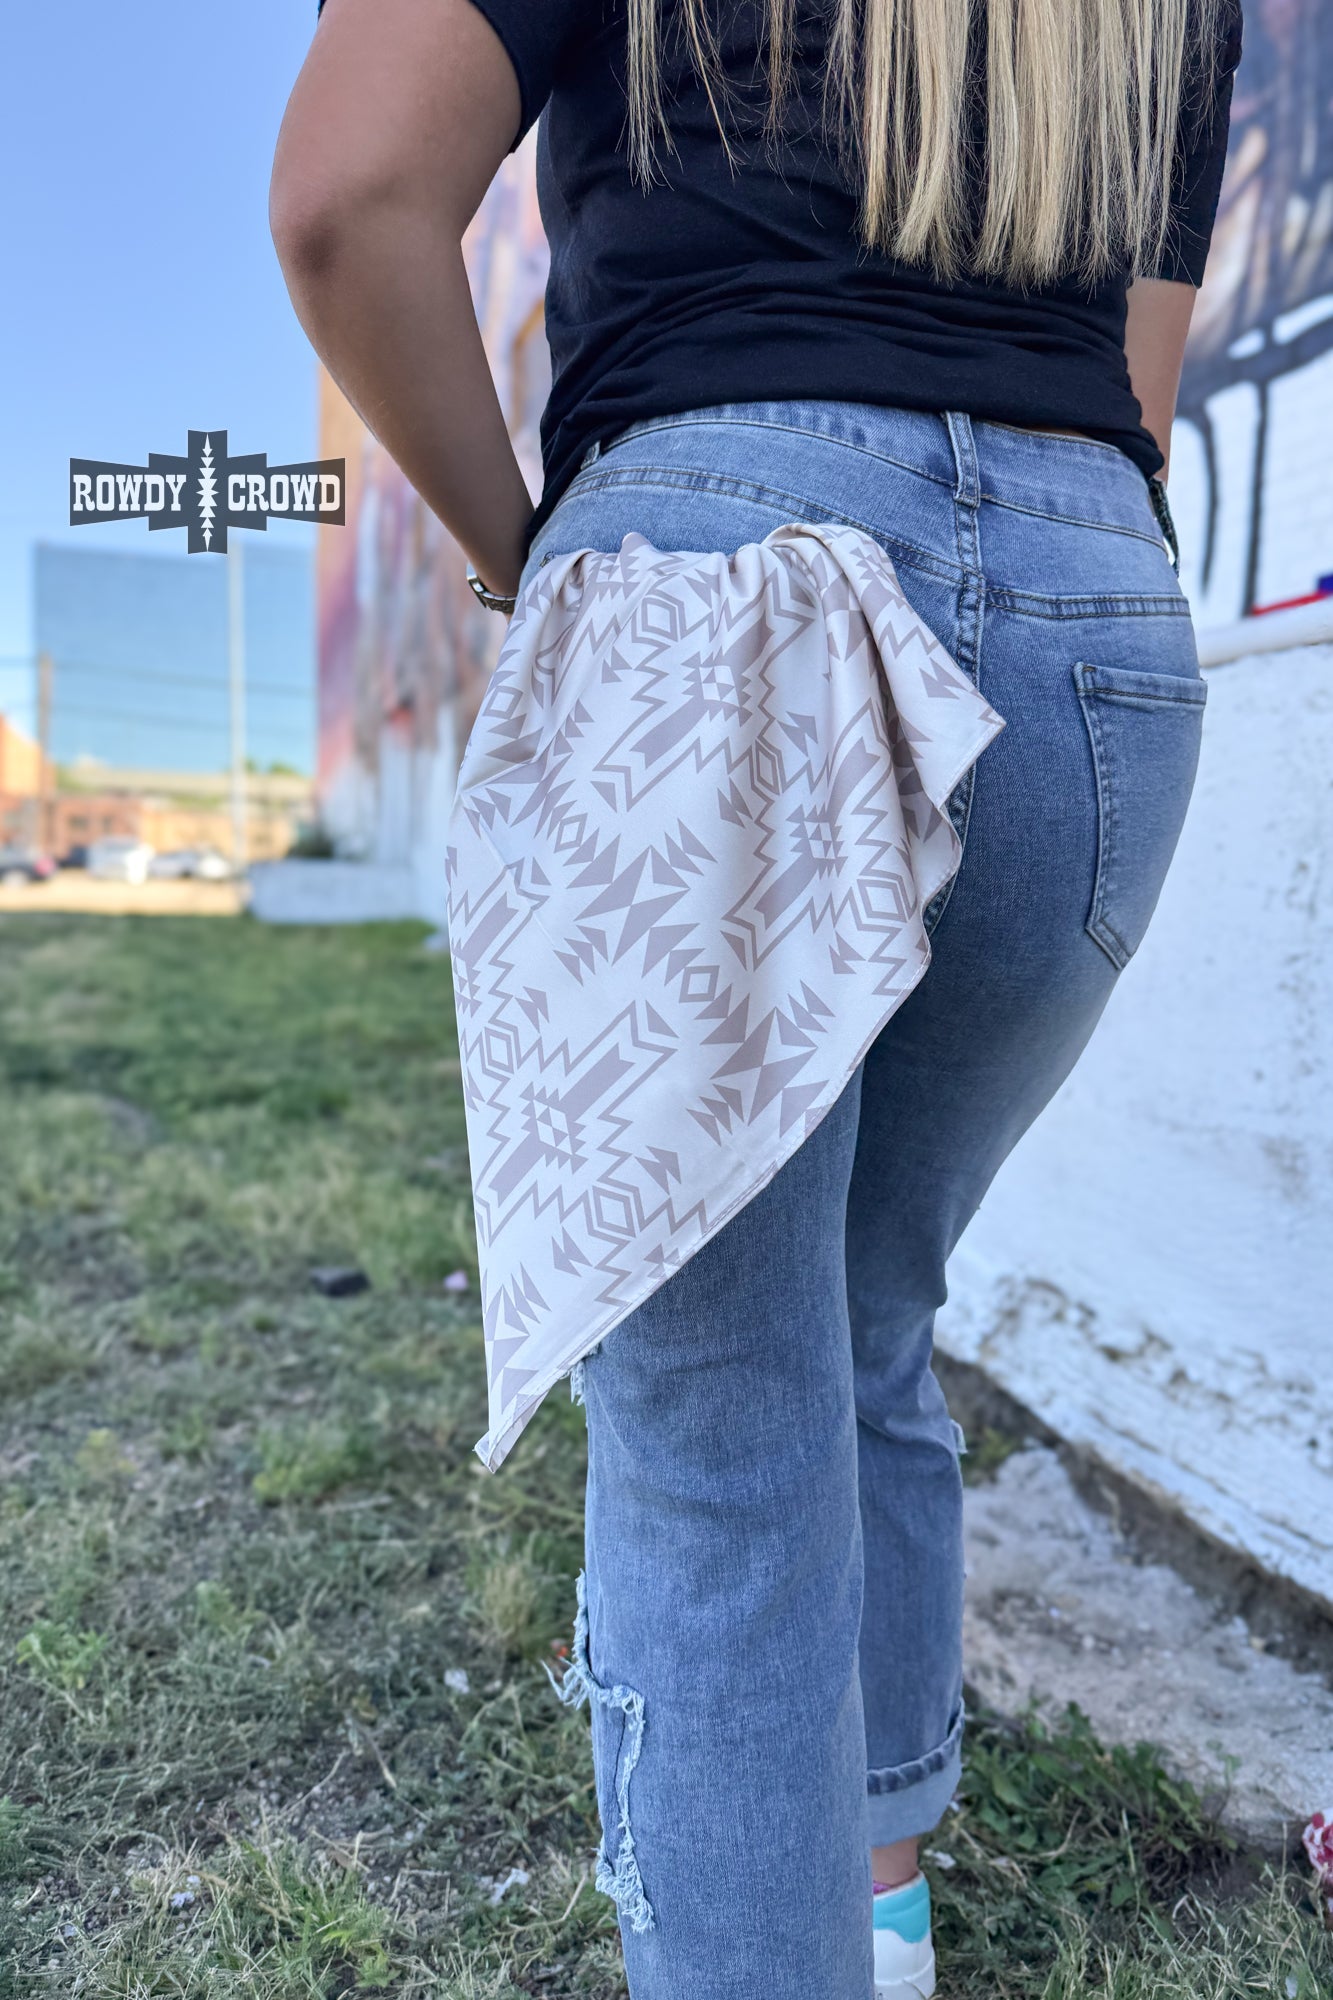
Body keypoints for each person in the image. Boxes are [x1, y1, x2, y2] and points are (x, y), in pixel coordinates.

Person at [270, 1, 1243, 1992]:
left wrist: (534, 564)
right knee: (873, 1322)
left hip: (712, 582)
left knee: (718, 1450)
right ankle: (876, 1929)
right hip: (1092, 635)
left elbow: (349, 198)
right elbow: (1132, 391)